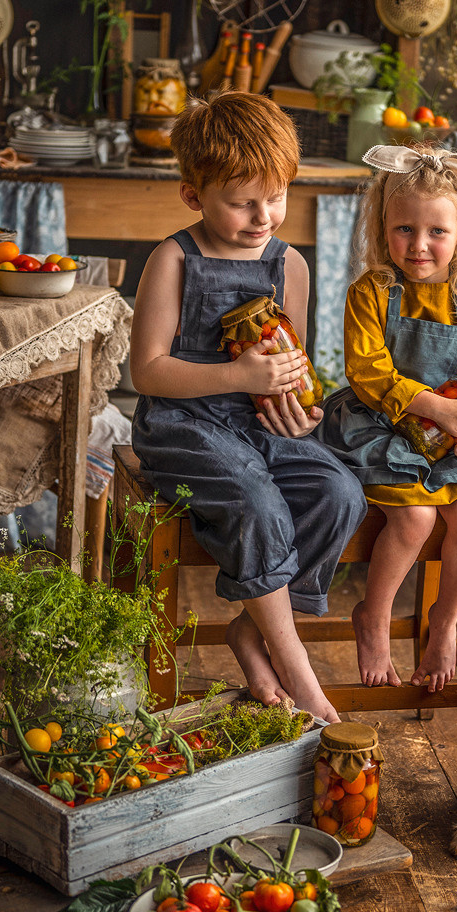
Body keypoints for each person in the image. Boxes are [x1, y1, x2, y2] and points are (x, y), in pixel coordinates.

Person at [130, 92, 367, 723]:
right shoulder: (173, 259)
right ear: (193, 196)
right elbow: (147, 370)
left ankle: (250, 630)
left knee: (339, 492)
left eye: (277, 197)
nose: (264, 217)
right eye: (242, 203)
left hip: (259, 425)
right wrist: (236, 374)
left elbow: (294, 366)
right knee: (256, 499)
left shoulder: (290, 265)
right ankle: (296, 666)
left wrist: (302, 411)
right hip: (182, 426)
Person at [317, 143, 457, 694]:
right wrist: (434, 406)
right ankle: (373, 616)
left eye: (436, 232)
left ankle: (444, 623)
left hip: (450, 442)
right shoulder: (373, 291)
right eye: (404, 229)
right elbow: (368, 372)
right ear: (383, 227)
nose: (419, 245)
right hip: (379, 427)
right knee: (415, 518)